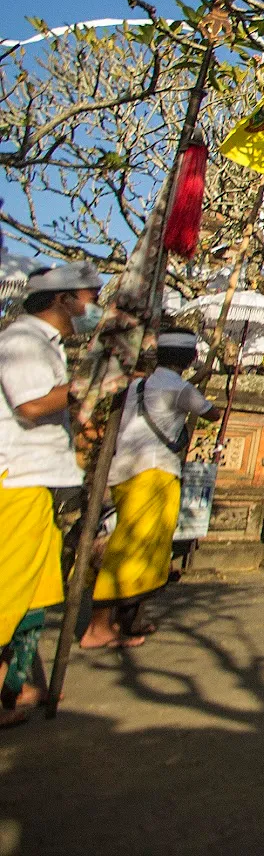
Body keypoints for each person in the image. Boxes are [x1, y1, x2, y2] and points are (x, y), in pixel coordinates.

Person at [0, 263, 101, 722]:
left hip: (35, 480)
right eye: (88, 295)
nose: (92, 305)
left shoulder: (46, 345)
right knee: (6, 590)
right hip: (14, 478)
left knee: (30, 593)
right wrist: (94, 382)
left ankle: (11, 687)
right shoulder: (21, 341)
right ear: (63, 299)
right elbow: (33, 404)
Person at [80, 330, 220, 650]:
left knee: (133, 545)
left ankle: (125, 620)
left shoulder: (134, 386)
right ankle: (99, 626)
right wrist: (196, 384)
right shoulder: (178, 387)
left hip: (122, 473)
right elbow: (210, 412)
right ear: (189, 359)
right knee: (133, 550)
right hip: (155, 473)